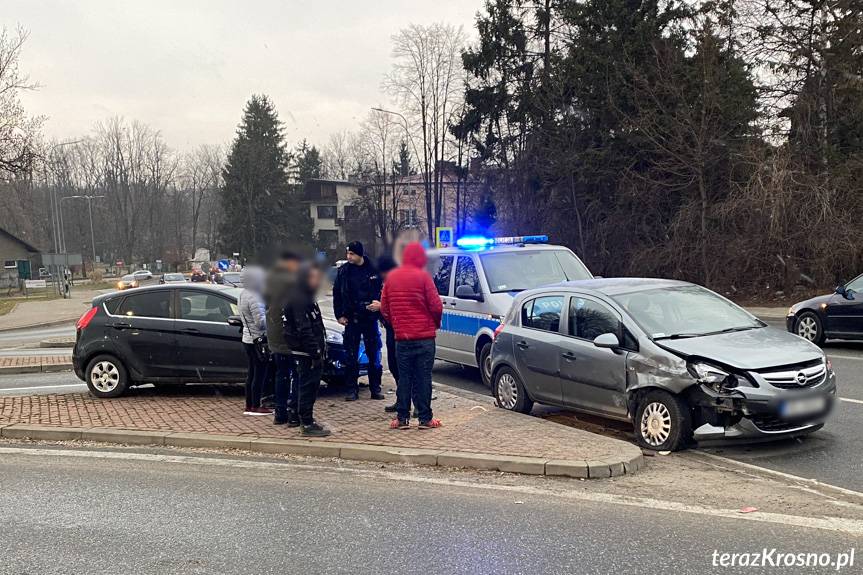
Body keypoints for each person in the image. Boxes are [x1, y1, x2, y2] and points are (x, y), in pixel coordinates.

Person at [381, 242, 443, 430]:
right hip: (424, 338)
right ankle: (425, 419)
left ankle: (401, 419)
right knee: (424, 378)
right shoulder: (423, 277)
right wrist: (434, 324)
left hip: (402, 339)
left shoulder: (392, 278)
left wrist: (397, 324)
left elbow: (384, 308)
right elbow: (436, 306)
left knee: (404, 378)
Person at [282, 262, 330, 437]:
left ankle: (303, 417)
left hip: (308, 349)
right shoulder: (299, 298)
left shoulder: (306, 296)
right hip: (305, 351)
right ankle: (306, 422)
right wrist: (315, 351)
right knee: (307, 386)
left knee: (308, 385)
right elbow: (304, 328)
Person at [333, 240, 384, 402]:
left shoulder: (373, 269)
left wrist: (380, 307)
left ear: (360, 254)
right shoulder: (344, 272)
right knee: (351, 356)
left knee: (374, 355)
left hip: (369, 319)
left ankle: (375, 388)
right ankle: (351, 389)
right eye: (348, 253)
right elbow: (337, 294)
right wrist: (339, 315)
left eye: (352, 254)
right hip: (351, 319)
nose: (348, 256)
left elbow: (383, 291)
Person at [266, 251, 301, 426]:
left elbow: (272, 314)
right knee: (296, 375)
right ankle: (293, 412)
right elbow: (294, 316)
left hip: (276, 338)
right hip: (289, 340)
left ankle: (280, 412)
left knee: (282, 375)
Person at [238, 266, 272, 416]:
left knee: (252, 372)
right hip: (258, 339)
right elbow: (260, 322)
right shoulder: (255, 296)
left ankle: (249, 404)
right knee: (259, 373)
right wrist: (272, 318)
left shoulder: (243, 294)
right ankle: (256, 404)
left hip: (248, 338)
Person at [376, 255, 401, 414]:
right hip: (392, 329)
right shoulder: (387, 282)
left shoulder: (397, 282)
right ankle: (402, 399)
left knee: (402, 367)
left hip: (399, 329)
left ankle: (411, 403)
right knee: (393, 364)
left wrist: (381, 307)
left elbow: (394, 307)